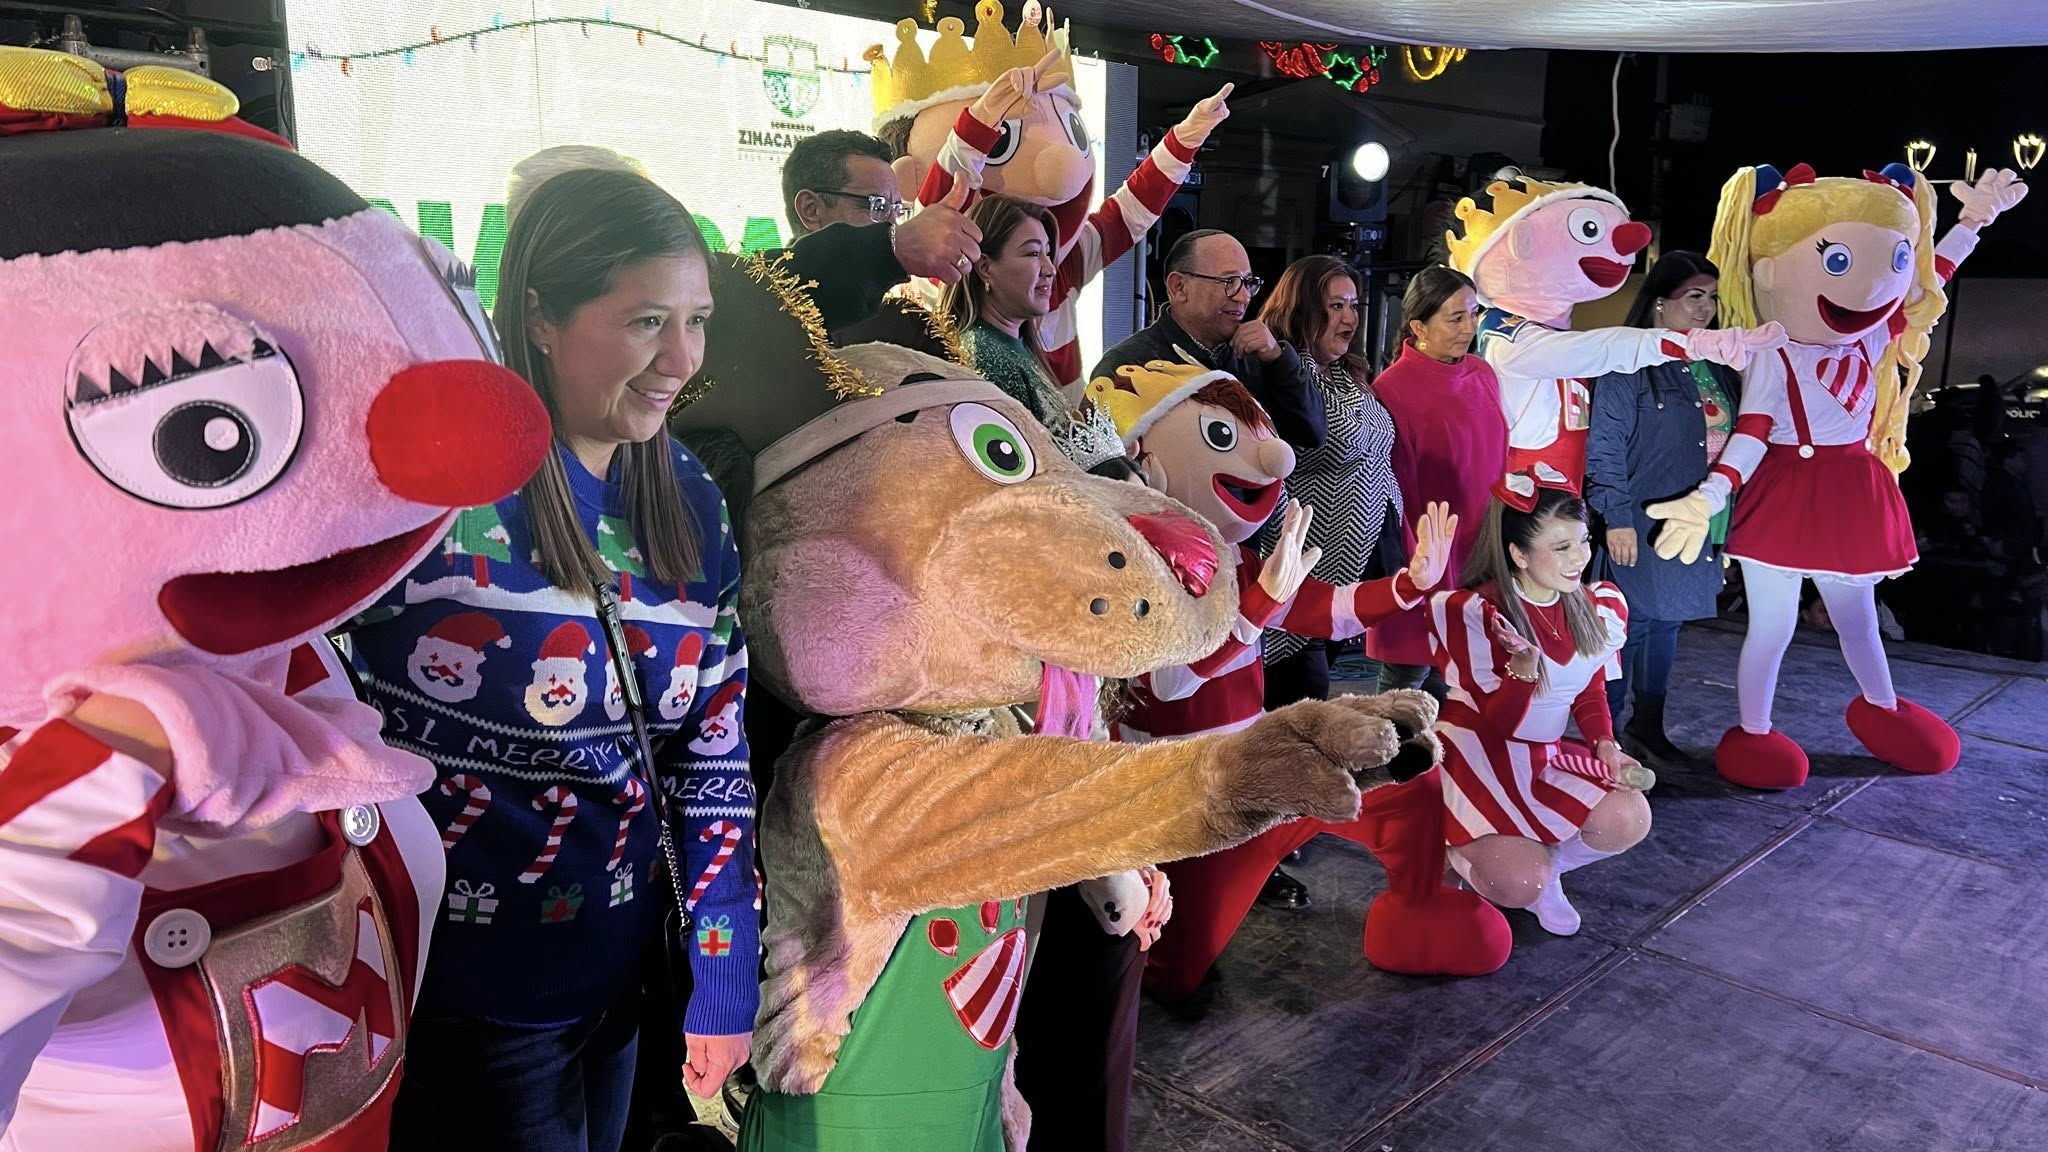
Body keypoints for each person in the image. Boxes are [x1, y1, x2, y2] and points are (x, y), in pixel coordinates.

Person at [349, 168, 760, 1152]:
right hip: (465, 1005)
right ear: (540, 317)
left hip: (621, 987)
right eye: (646, 321)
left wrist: (723, 972)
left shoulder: (690, 498)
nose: (681, 359)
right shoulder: (440, 494)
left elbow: (711, 757)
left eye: (696, 321)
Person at [1645, 162, 2027, 789]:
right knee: (1773, 625)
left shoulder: (1873, 340)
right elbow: (1754, 431)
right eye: (1841, 262)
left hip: (1851, 488)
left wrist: (1973, 222)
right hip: (1787, 490)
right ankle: (1755, 731)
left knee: (1859, 618)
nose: (1872, 287)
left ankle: (1884, 709)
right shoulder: (1772, 351)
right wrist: (1712, 492)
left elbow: (1932, 279)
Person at [1245, 254, 1404, 907]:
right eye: (1333, 304)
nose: (1347, 316)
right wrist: (1280, 359)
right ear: (1301, 307)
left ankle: (1280, 825)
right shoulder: (1280, 374)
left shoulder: (1346, 374)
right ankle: (1258, 848)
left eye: (1352, 304)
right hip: (1297, 571)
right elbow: (1305, 440)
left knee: (1306, 700)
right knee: (1289, 704)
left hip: (1350, 568)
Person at [1430, 480, 1653, 937]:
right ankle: (1448, 852)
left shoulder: (1595, 604)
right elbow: (1498, 724)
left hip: (1541, 754)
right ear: (1519, 554)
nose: (1580, 558)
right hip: (1478, 756)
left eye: (1584, 541)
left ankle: (1546, 874)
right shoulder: (1478, 611)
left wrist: (1605, 744)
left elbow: (1589, 688)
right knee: (1515, 881)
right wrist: (1522, 671)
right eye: (1562, 547)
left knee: (1629, 817)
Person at [1584, 251, 1742, 765]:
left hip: (1699, 520)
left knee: (1668, 624)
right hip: (1640, 518)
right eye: (1693, 296)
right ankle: (1607, 737)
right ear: (1658, 302)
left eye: (1711, 298)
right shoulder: (1628, 361)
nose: (1705, 308)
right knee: (1627, 627)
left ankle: (1648, 728)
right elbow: (1605, 448)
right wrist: (1616, 519)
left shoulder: (1715, 365)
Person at [1368, 266, 1508, 700]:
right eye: (1456, 318)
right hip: (1427, 551)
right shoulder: (1392, 388)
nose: (1470, 327)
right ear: (1418, 327)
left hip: (1481, 546)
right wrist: (1422, 567)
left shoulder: (1482, 373)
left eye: (1474, 313)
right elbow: (1397, 490)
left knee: (1466, 678)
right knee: (1406, 682)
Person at [1091, 230, 1326, 450]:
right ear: (1179, 287)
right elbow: (1101, 459)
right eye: (1229, 282)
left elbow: (1312, 434)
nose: (1243, 297)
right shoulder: (1129, 365)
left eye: (1248, 283)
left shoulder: (1257, 356)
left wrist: (1278, 360)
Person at [777, 129, 985, 330]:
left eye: (896, 210)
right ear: (811, 210)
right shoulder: (771, 301)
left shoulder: (898, 322)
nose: (893, 225)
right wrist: (894, 245)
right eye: (878, 206)